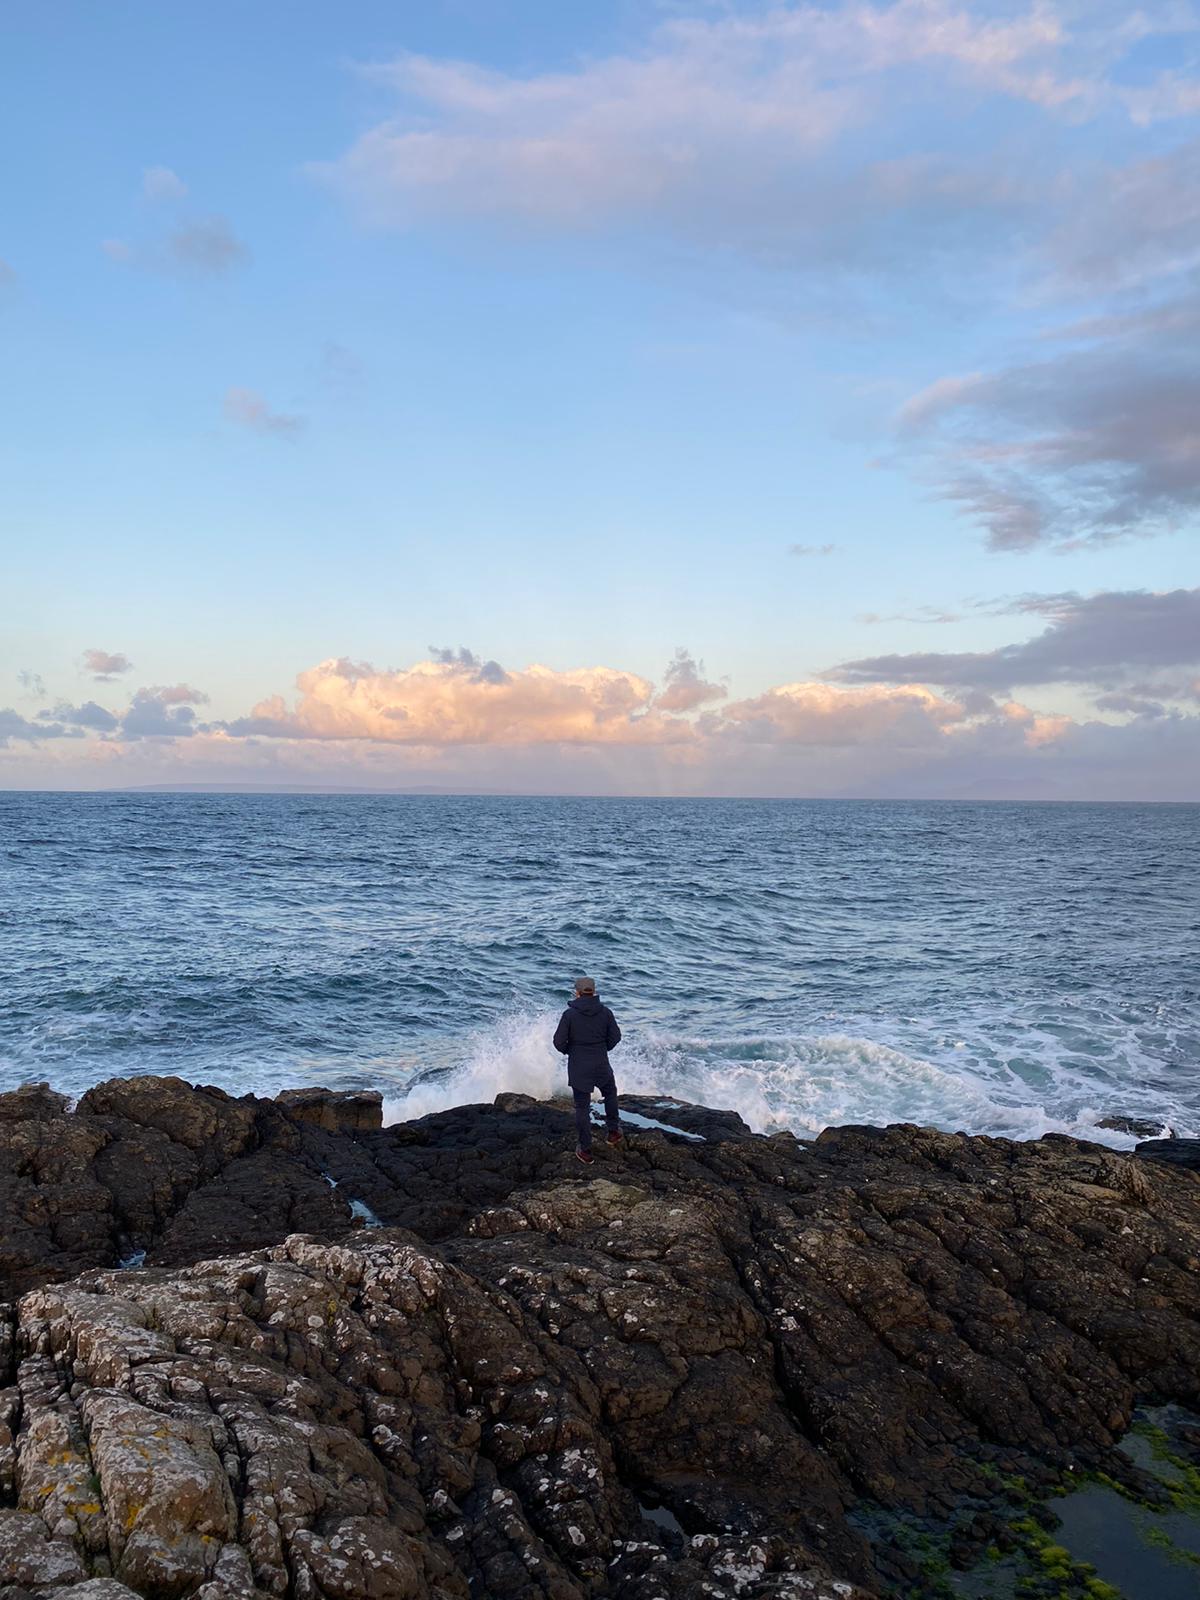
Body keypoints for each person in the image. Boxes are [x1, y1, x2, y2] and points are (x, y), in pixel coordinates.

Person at [553, 976, 622, 1164]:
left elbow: (558, 1042)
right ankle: (613, 1132)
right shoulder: (605, 1012)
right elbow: (616, 1037)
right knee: (610, 1093)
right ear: (594, 991)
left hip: (579, 1066)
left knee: (582, 1107)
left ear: (577, 992)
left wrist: (571, 1051)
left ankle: (585, 1150)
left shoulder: (569, 1015)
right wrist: (603, 1048)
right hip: (601, 1062)